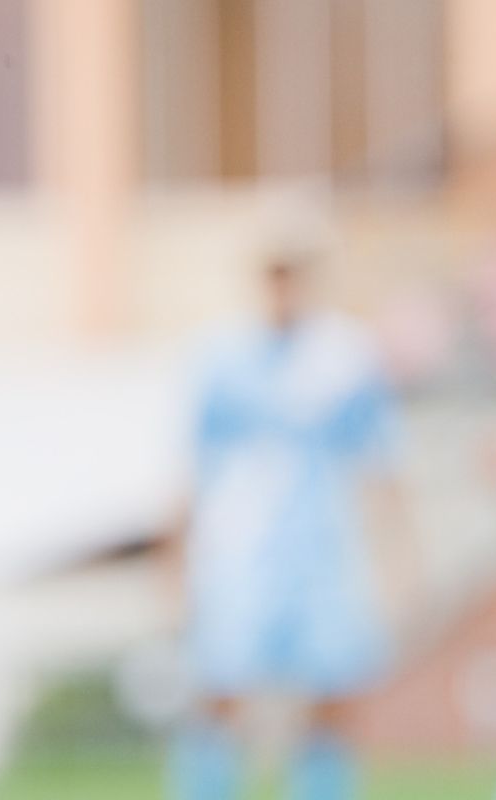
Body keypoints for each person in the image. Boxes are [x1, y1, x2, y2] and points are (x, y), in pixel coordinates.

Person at [169, 254, 404, 800]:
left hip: (323, 550)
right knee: (221, 691)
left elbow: (380, 464)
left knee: (332, 695)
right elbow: (187, 469)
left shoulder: (345, 355)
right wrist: (175, 565)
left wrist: (398, 564)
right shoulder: (220, 357)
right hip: (237, 551)